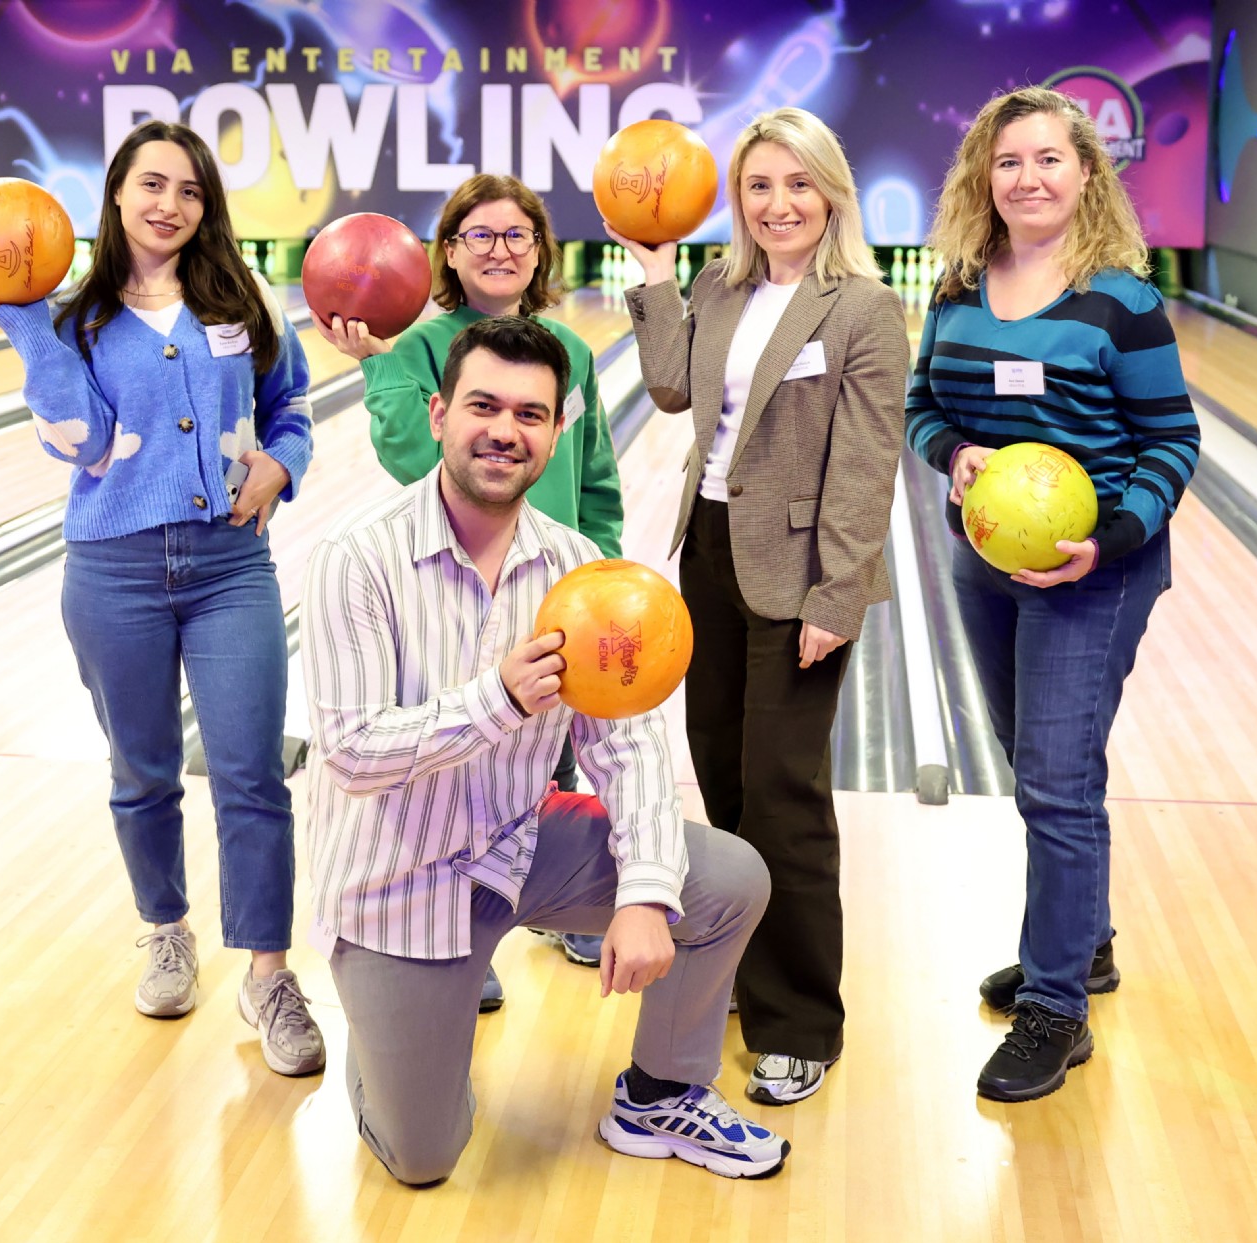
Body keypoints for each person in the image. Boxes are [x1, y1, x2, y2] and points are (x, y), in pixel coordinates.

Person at [302, 316, 786, 1185]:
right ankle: (391, 1048)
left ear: (558, 433)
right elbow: (350, 752)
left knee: (726, 878)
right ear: (440, 414)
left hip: (518, 848)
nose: (505, 430)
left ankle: (662, 1091)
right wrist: (497, 698)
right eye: (483, 406)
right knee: (423, 1155)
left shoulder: (575, 566)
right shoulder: (358, 558)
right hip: (396, 881)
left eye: (530, 414)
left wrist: (646, 893)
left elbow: (628, 745)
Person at [0, 120, 325, 1076]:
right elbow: (78, 443)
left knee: (251, 772)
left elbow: (292, 404)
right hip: (112, 570)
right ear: (116, 192)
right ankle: (165, 930)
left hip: (231, 566)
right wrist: (21, 322)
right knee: (143, 771)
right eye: (153, 184)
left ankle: (269, 973)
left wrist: (282, 463)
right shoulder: (75, 321)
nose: (170, 204)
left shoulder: (244, 299)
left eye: (190, 190)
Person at [607, 107, 909, 1106]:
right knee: (724, 777)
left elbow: (865, 465)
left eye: (797, 183)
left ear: (831, 192)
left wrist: (837, 594)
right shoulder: (719, 285)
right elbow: (667, 388)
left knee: (784, 797)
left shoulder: (863, 308)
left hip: (799, 577)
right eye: (759, 186)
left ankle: (799, 1021)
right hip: (709, 552)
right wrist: (656, 275)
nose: (778, 204)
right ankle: (744, 960)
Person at [907, 86, 1200, 1101]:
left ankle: (1056, 1007)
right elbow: (922, 406)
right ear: (982, 177)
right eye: (1008, 161)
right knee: (1038, 763)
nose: (1026, 178)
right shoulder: (956, 284)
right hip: (984, 559)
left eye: (1047, 160)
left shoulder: (1121, 300)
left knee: (1055, 782)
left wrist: (1108, 541)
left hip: (1094, 572)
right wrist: (954, 451)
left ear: (1085, 173)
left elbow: (1173, 441)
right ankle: (1086, 941)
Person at [317, 172, 625, 999]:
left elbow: (594, 475)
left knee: (554, 749)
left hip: (556, 586)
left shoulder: (574, 353)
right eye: (478, 235)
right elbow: (411, 457)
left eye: (516, 234)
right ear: (448, 253)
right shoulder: (421, 346)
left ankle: (547, 900)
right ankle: (460, 923)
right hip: (459, 587)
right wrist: (380, 365)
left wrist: (602, 572)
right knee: (461, 752)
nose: (499, 249)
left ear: (539, 252)